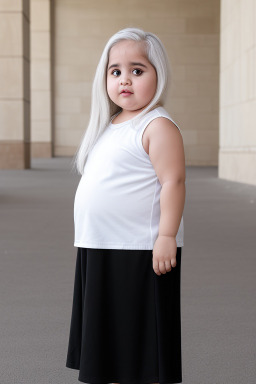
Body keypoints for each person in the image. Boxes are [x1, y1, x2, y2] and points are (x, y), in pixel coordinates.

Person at [66, 27, 186, 384]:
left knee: (137, 336)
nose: (125, 80)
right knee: (106, 335)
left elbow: (173, 181)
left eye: (137, 70)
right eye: (115, 71)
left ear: (158, 74)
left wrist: (166, 235)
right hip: (100, 244)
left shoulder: (157, 125)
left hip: (137, 247)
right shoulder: (111, 125)